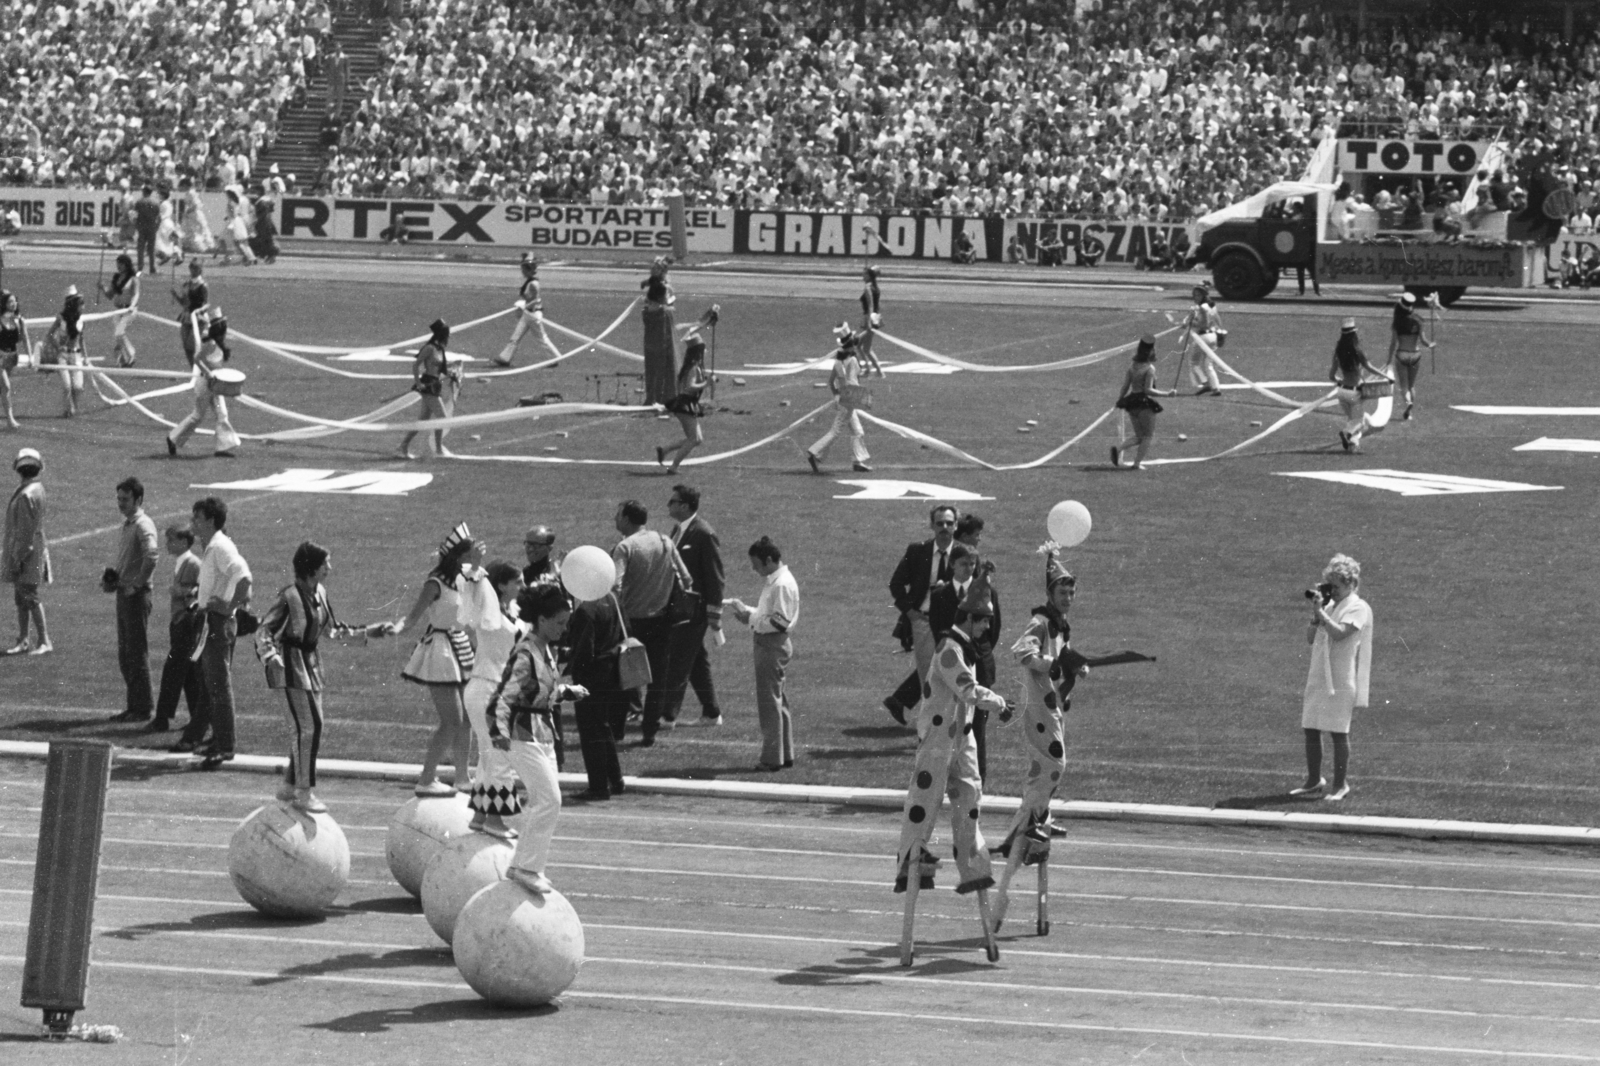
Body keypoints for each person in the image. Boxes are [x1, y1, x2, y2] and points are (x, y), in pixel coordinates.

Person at [891, 569, 1006, 894]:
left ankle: (974, 867)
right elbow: (968, 689)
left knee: (970, 800)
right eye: (983, 620)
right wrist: (997, 702)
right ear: (968, 618)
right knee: (925, 800)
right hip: (939, 739)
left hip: (963, 739)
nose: (987, 627)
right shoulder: (949, 648)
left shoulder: (965, 647)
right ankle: (910, 861)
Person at [256, 541, 391, 812]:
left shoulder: (319, 592)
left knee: (311, 727)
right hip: (290, 667)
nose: (329, 568)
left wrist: (369, 632)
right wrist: (271, 658)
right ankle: (303, 792)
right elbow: (264, 630)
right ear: (312, 568)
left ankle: (289, 785)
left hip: (311, 667)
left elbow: (331, 630)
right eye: (325, 564)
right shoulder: (289, 597)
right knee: (309, 727)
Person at [488, 584, 588, 895]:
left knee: (543, 801)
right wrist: (499, 731)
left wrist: (567, 692)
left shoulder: (545, 650)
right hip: (522, 733)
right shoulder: (525, 651)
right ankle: (526, 868)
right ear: (541, 620)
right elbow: (502, 697)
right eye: (559, 622)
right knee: (550, 800)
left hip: (544, 733)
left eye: (565, 622)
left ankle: (526, 865)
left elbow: (542, 689)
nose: (564, 628)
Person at [995, 546, 1085, 877]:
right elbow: (1022, 652)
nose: (1068, 597)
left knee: (1048, 767)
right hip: (1037, 707)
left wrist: (1075, 668)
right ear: (1050, 593)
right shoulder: (1041, 622)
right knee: (1053, 764)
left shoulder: (1062, 626)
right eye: (1063, 591)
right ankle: (1031, 822)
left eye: (1072, 591)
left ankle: (1029, 824)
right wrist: (1054, 663)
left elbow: (1065, 660)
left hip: (1054, 706)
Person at [393, 522, 481, 795]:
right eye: (467, 557)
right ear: (456, 556)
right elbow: (412, 618)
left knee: (467, 717)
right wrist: (389, 629)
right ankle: (426, 778)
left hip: (461, 646)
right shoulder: (435, 582)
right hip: (441, 651)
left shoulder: (464, 578)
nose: (471, 562)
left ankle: (463, 776)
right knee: (451, 720)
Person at [1292, 554, 1373, 803]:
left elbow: (1340, 634)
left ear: (1351, 585)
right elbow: (1309, 637)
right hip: (1318, 674)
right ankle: (1314, 779)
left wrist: (1322, 614)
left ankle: (1340, 784)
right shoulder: (1328, 606)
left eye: (1336, 586)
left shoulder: (1359, 607)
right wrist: (1317, 614)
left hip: (1340, 677)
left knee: (1338, 732)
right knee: (1311, 728)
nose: (1333, 592)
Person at [458, 560, 526, 837]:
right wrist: (475, 567)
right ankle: (495, 822)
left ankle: (480, 815)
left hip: (495, 691)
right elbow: (470, 581)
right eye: (517, 581)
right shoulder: (487, 612)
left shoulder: (512, 610)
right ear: (501, 585)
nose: (522, 586)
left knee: (489, 757)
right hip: (486, 689)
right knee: (499, 756)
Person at [611, 498, 687, 746]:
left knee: (624, 677)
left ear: (627, 519)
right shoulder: (665, 541)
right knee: (658, 680)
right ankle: (649, 732)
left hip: (631, 623)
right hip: (662, 621)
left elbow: (615, 585)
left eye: (618, 515)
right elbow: (686, 578)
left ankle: (618, 730)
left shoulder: (625, 547)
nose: (615, 519)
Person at [184, 496, 252, 769]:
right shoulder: (214, 546)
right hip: (210, 621)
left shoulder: (221, 547)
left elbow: (244, 578)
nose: (192, 524)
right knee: (211, 685)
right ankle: (217, 739)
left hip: (217, 623)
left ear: (210, 520)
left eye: (197, 519)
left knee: (218, 686)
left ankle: (225, 745)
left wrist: (228, 607)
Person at [724, 535, 799, 771]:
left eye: (756, 564)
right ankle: (784, 754)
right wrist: (747, 610)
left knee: (770, 703)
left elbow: (779, 622)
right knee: (777, 701)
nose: (753, 569)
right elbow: (769, 614)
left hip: (771, 645)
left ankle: (771, 759)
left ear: (768, 560)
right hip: (770, 644)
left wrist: (750, 618)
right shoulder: (775, 581)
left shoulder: (781, 584)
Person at [884, 505, 960, 726]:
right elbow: (896, 584)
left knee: (955, 677)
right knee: (928, 678)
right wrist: (910, 613)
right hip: (924, 624)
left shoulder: (964, 554)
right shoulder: (918, 551)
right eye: (939, 523)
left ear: (956, 525)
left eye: (949, 523)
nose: (944, 527)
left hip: (954, 628)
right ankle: (928, 728)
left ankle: (951, 727)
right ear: (932, 526)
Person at [662, 483, 724, 727]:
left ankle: (667, 715)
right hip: (680, 607)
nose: (669, 505)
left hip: (694, 610)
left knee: (677, 660)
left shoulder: (703, 533)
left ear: (685, 506)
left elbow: (715, 576)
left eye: (673, 502)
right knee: (696, 661)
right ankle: (711, 712)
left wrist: (714, 614)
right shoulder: (679, 530)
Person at [105, 477, 159, 724]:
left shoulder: (142, 525)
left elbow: (152, 556)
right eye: (118, 499)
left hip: (135, 596)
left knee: (135, 654)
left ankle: (143, 708)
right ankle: (134, 705)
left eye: (125, 499)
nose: (120, 503)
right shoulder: (128, 524)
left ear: (138, 500)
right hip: (125, 592)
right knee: (126, 654)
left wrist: (137, 584)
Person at [166, 307, 242, 458]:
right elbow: (197, 359)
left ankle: (222, 447)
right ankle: (172, 439)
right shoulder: (211, 343)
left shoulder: (218, 342)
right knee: (198, 416)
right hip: (205, 384)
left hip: (216, 383)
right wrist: (209, 374)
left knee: (222, 414)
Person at [151, 524, 202, 734]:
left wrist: (181, 591)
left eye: (171, 540)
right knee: (188, 673)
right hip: (179, 622)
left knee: (173, 670)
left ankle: (162, 717)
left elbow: (202, 589)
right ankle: (197, 718)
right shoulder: (183, 562)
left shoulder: (193, 563)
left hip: (187, 623)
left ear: (183, 542)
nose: (167, 544)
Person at [1, 447, 51, 655]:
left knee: (29, 595)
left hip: (26, 554)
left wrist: (18, 558)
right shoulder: (37, 489)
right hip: (34, 549)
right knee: (22, 596)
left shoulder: (25, 495)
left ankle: (44, 640)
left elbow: (24, 533)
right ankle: (23, 640)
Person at [804, 323, 871, 474]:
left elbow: (831, 382)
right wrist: (848, 396)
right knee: (836, 431)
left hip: (847, 398)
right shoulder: (850, 361)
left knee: (858, 431)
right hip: (849, 399)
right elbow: (845, 382)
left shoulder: (840, 361)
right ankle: (815, 453)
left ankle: (857, 461)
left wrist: (836, 395)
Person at [1111, 334, 1176, 471]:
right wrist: (1167, 394)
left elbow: (1125, 386)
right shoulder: (1150, 369)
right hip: (1144, 405)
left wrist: (1120, 400)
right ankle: (1136, 464)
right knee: (1147, 436)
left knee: (1140, 436)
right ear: (1150, 352)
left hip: (1131, 402)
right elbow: (1148, 390)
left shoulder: (1132, 366)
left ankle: (1118, 449)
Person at [398, 319, 459, 460]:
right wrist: (418, 383)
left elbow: (440, 369)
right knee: (442, 418)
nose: (448, 337)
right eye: (447, 335)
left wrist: (451, 372)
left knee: (423, 420)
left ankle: (403, 446)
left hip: (435, 385)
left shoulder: (439, 349)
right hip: (428, 385)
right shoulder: (429, 348)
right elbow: (416, 365)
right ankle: (438, 450)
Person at [656, 332, 712, 473]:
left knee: (697, 439)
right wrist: (706, 384)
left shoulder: (691, 366)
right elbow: (689, 387)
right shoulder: (694, 368)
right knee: (693, 439)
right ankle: (673, 467)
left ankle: (665, 450)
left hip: (685, 404)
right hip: (685, 405)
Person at [1330, 318, 1387, 454]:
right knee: (1359, 422)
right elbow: (1369, 367)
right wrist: (1386, 376)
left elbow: (1331, 376)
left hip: (1342, 392)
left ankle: (1353, 446)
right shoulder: (1357, 350)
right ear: (1354, 333)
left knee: (1352, 419)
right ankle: (1346, 434)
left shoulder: (1338, 351)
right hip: (1354, 393)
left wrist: (1340, 381)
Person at [495, 254, 553, 367]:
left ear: (528, 270)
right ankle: (505, 359)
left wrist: (524, 306)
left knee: (541, 338)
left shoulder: (533, 284)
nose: (522, 271)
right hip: (527, 314)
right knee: (515, 337)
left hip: (533, 315)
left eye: (523, 269)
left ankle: (554, 359)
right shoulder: (529, 282)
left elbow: (537, 300)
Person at [1386, 293, 1435, 421]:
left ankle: (1408, 404)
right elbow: (1424, 341)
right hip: (1415, 354)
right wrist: (1431, 344)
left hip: (1401, 354)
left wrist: (1388, 361)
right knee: (1411, 385)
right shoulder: (1418, 320)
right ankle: (1410, 412)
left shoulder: (1397, 322)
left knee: (1404, 386)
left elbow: (1393, 343)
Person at [43, 287, 87, 418]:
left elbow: (82, 340)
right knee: (67, 385)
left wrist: (86, 357)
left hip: (76, 355)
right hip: (63, 356)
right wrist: (58, 347)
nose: (83, 306)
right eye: (81, 303)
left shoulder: (81, 320)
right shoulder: (61, 318)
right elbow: (49, 334)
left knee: (78, 387)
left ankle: (73, 406)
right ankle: (68, 409)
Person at [640, 256, 679, 405]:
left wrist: (656, 304)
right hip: (653, 323)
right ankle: (654, 396)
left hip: (659, 325)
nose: (652, 269)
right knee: (653, 363)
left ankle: (658, 397)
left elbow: (665, 301)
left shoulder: (662, 287)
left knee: (658, 362)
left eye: (655, 268)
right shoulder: (656, 284)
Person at [99, 255, 141, 368]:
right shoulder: (116, 278)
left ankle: (131, 354)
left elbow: (136, 294)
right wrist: (103, 288)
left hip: (129, 310)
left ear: (126, 265)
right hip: (118, 309)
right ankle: (122, 358)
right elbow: (110, 295)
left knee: (119, 332)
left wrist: (132, 306)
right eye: (117, 264)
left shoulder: (133, 279)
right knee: (118, 335)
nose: (118, 267)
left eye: (121, 264)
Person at [1183, 285, 1224, 396]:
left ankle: (1205, 383)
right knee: (1208, 364)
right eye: (1194, 295)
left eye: (1198, 295)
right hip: (1213, 337)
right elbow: (1217, 320)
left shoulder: (1203, 307)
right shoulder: (1212, 306)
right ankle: (1216, 388)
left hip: (1203, 337)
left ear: (1204, 295)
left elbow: (1204, 325)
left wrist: (1191, 323)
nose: (1195, 297)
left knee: (1193, 363)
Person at [0, 290, 31, 430]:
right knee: (6, 386)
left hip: (12, 356)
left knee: (3, 388)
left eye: (14, 301)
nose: (13, 304)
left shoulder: (19, 320)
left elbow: (25, 339)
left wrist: (30, 356)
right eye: (10, 302)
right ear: (5, 304)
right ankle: (10, 420)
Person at [171, 260, 209, 368]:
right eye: (192, 268)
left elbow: (205, 303)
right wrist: (175, 296)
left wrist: (199, 311)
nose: (193, 270)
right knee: (186, 346)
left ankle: (202, 368)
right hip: (186, 317)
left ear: (200, 270)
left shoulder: (203, 285)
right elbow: (184, 303)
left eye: (196, 268)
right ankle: (194, 369)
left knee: (191, 345)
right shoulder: (186, 285)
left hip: (198, 319)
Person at [178, 177, 215, 259]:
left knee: (197, 231)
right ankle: (207, 246)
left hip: (194, 214)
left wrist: (187, 212)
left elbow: (195, 205)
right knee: (196, 231)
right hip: (192, 215)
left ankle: (204, 248)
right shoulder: (190, 193)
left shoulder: (191, 193)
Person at [857, 265, 884, 378]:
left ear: (869, 276)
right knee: (863, 347)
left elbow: (871, 305)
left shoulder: (868, 288)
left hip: (870, 318)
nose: (863, 276)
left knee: (862, 347)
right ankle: (874, 371)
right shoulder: (875, 287)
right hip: (875, 318)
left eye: (864, 274)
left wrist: (869, 321)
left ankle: (875, 371)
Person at [219, 187, 256, 266]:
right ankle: (249, 257)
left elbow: (232, 214)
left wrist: (229, 219)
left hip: (233, 223)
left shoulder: (230, 202)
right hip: (237, 222)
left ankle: (229, 259)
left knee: (228, 242)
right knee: (239, 242)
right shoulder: (236, 202)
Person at [132, 185, 161, 275]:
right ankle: (152, 268)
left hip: (142, 226)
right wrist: (156, 227)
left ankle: (140, 267)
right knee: (151, 249)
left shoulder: (139, 202)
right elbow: (159, 217)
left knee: (141, 248)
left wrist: (136, 225)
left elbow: (134, 215)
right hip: (151, 227)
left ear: (144, 192)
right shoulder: (155, 202)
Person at [155, 187, 182, 267]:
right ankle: (178, 256)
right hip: (170, 223)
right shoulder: (169, 203)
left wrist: (156, 225)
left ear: (163, 195)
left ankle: (165, 257)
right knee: (172, 242)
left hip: (164, 224)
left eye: (159, 194)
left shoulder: (162, 204)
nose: (158, 195)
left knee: (158, 243)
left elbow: (160, 216)